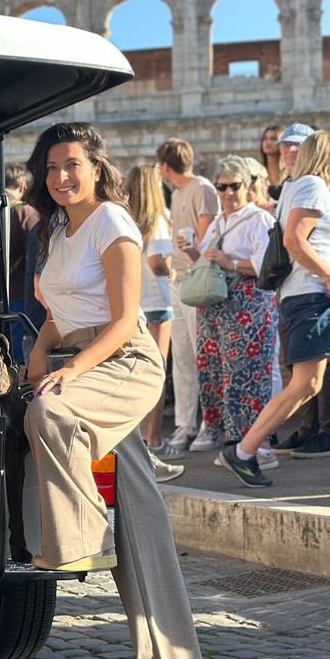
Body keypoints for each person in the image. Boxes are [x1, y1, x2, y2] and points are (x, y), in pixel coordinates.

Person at [23, 122, 202, 659]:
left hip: (122, 362)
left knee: (49, 414)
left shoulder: (112, 221)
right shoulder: (59, 231)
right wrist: (41, 348)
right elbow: (62, 308)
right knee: (140, 511)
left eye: (72, 164)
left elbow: (126, 318)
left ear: (96, 167)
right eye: (50, 168)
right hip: (79, 358)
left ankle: (81, 537)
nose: (60, 177)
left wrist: (69, 371)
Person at [219, 131, 330, 488]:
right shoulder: (313, 186)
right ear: (328, 157)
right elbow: (293, 240)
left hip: (303, 297)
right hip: (313, 296)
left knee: (308, 384)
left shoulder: (298, 186)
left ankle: (246, 452)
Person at [179, 156, 278, 468]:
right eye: (222, 187)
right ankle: (238, 446)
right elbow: (208, 261)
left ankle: (262, 448)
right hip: (218, 307)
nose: (228, 192)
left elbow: (267, 265)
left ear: (247, 187)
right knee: (217, 374)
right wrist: (192, 251)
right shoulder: (220, 221)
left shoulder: (258, 219)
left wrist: (230, 263)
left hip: (248, 306)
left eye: (235, 185)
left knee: (250, 376)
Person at [270, 124, 330, 458]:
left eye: (297, 147)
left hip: (311, 286)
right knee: (309, 376)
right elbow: (291, 240)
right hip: (310, 287)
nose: (290, 152)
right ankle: (249, 448)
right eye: (286, 146)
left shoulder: (312, 185)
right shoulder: (305, 185)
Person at [158, 138, 218, 451]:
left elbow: (209, 240)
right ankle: (185, 427)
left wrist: (193, 252)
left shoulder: (202, 189)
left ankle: (210, 424)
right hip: (177, 281)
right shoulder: (179, 191)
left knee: (202, 355)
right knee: (180, 358)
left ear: (166, 166)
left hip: (198, 279)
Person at [123, 164, 182, 481]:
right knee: (156, 375)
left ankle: (138, 443)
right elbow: (157, 262)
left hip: (134, 306)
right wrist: (171, 270)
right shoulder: (157, 220)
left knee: (134, 376)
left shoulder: (124, 219)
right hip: (158, 304)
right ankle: (154, 440)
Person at [5, 162, 41, 362]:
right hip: (20, 291)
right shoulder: (24, 212)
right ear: (21, 187)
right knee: (18, 353)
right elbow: (35, 252)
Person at [259, 124, 286, 200]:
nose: (268, 142)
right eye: (265, 139)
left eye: (273, 139)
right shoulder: (258, 171)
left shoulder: (290, 174)